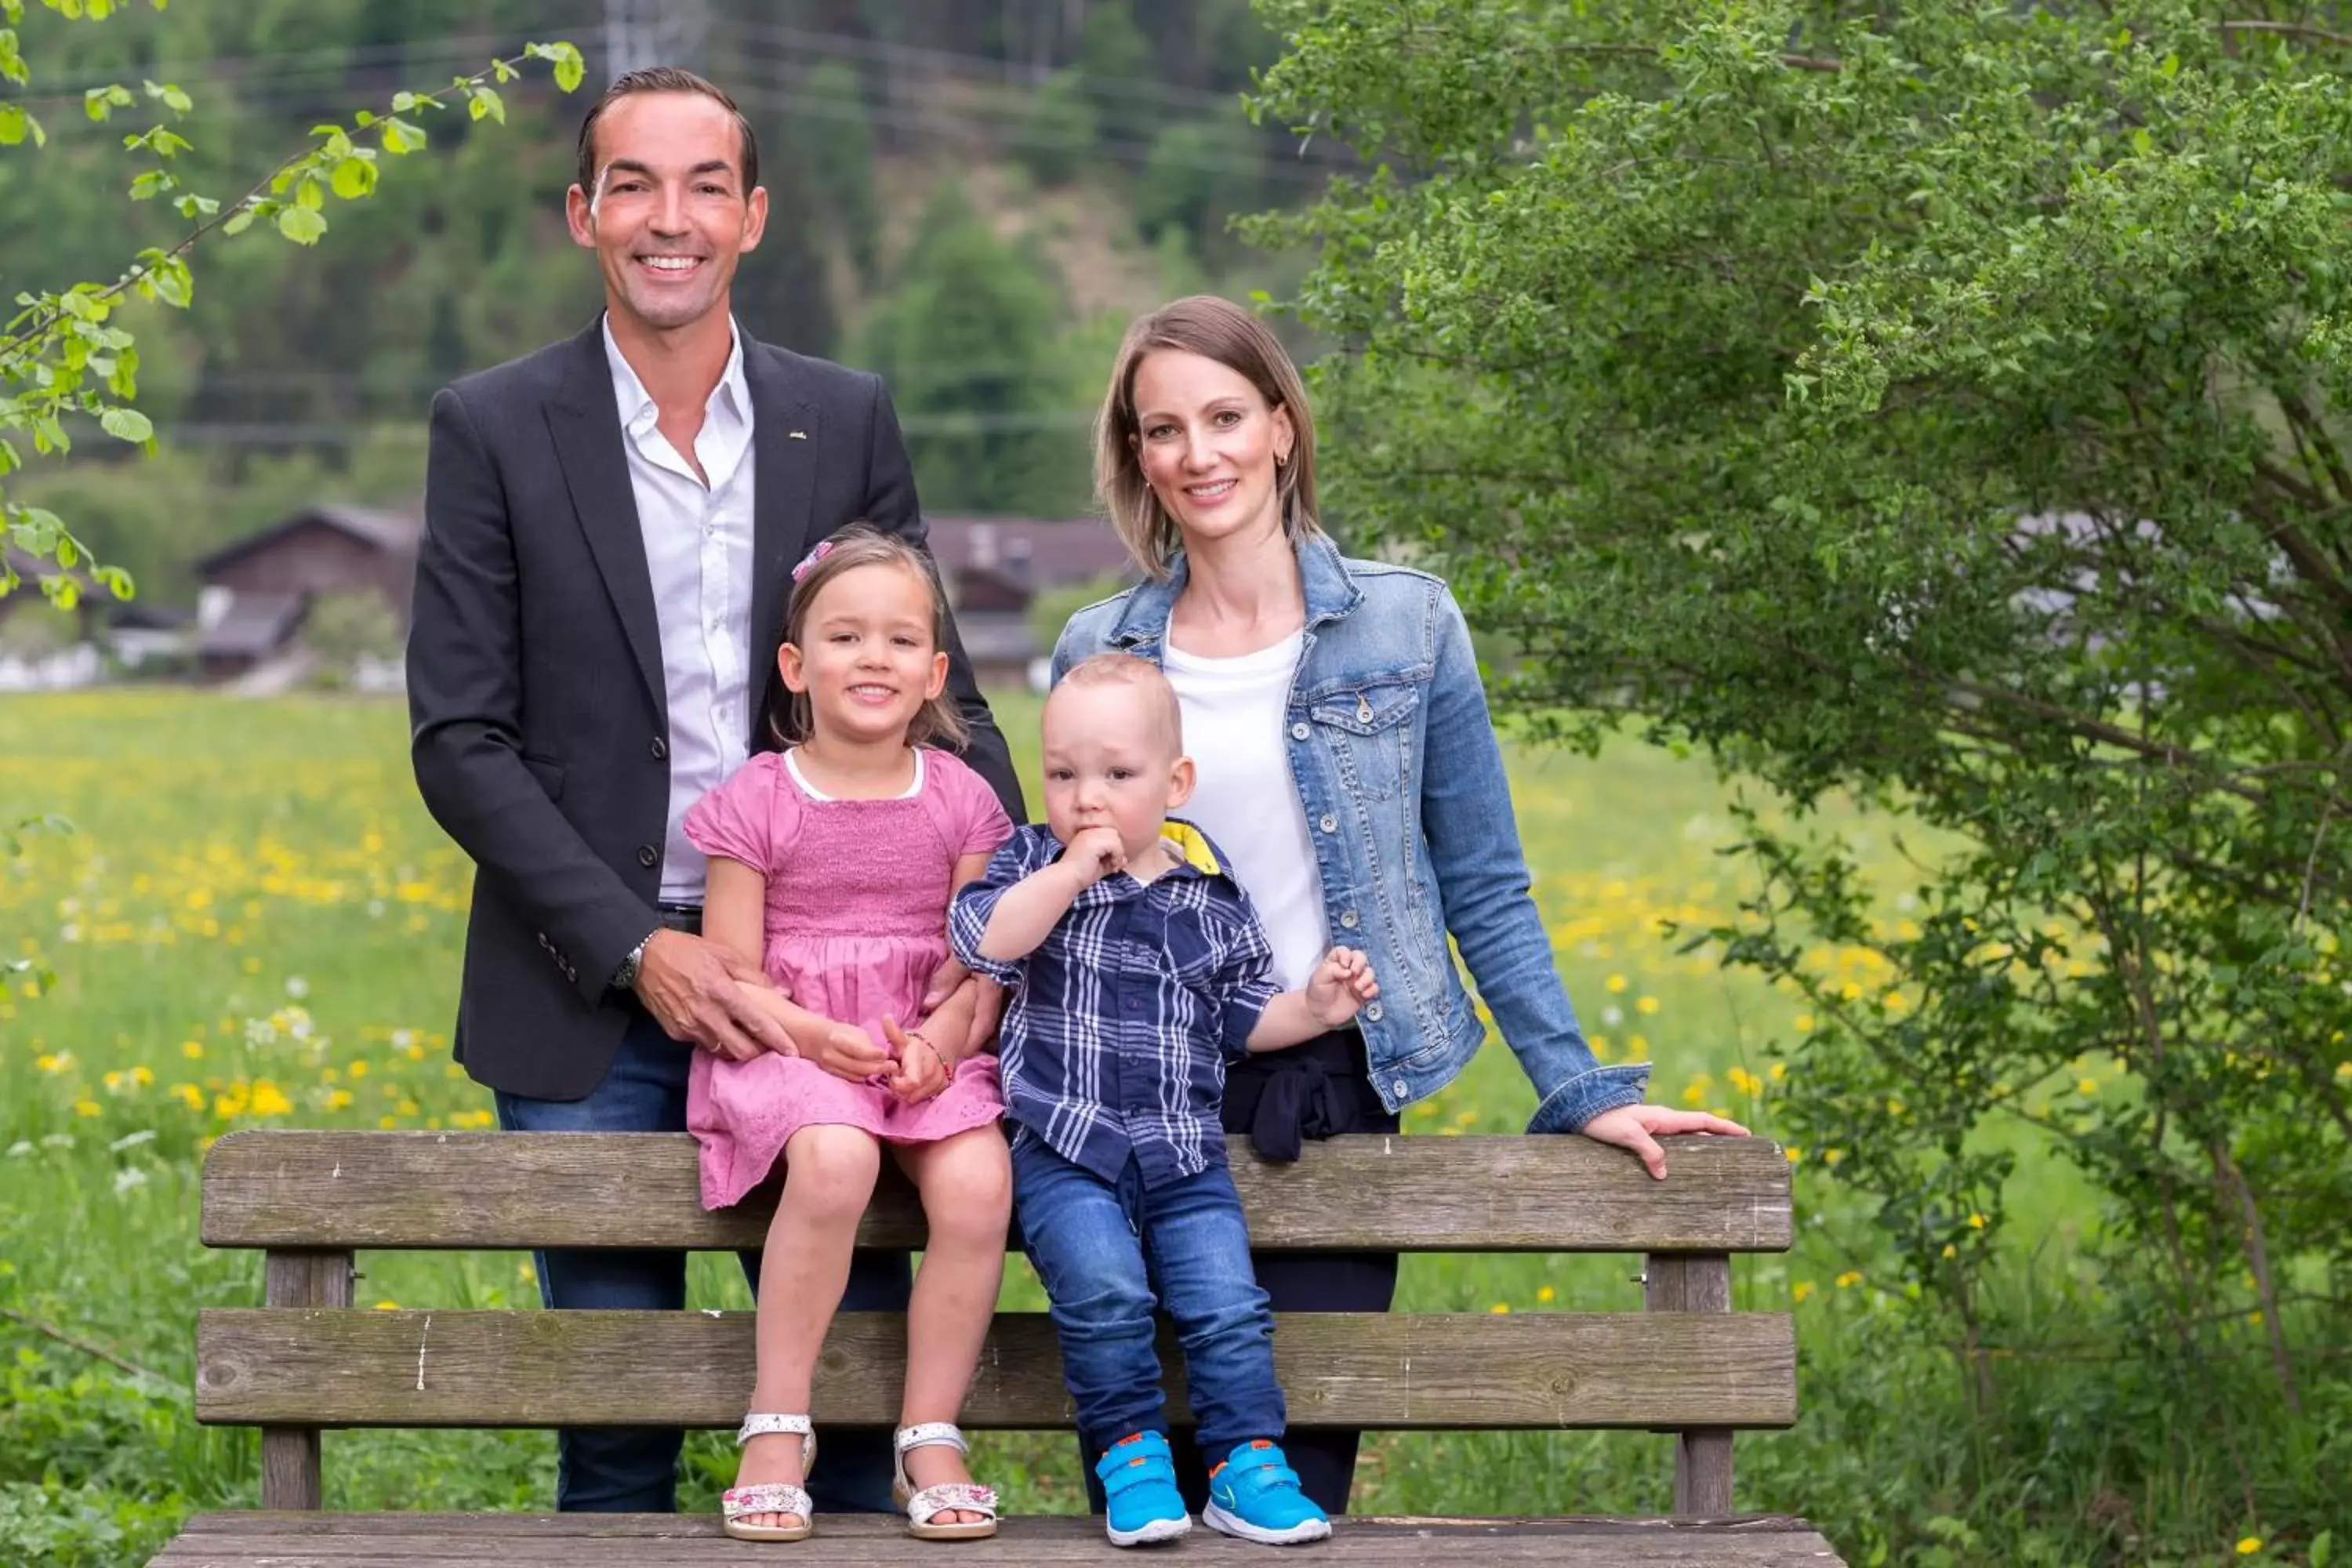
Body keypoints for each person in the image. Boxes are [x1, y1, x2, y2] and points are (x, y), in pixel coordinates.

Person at [405, 67, 1023, 1518]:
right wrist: (642, 947)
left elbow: (940, 694)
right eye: (632, 184)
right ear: (583, 214)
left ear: (752, 215)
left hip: (843, 988)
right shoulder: (494, 426)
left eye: (702, 187)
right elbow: (460, 739)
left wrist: (996, 932)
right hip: (587, 997)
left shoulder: (840, 415)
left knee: (855, 1432)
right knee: (616, 1432)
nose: (665, 219)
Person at [1052, 295, 1751, 1515]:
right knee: (1146, 1493)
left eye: (1225, 417)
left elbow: (1484, 881)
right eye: (1165, 430)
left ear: (1280, 425)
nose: (1199, 454)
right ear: (1139, 455)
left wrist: (1579, 1086)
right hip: (1141, 1092)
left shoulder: (1408, 623)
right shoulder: (1095, 648)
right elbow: (1076, 896)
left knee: (1290, 1484)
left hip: (1330, 1092)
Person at [949, 653, 1381, 1548]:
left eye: (1116, 774)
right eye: (1063, 773)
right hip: (1067, 1149)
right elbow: (983, 939)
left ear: (1175, 782)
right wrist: (1070, 873)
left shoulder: (1211, 895)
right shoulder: (1033, 860)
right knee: (1105, 1291)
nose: (1086, 797)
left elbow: (1242, 1014)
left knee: (1226, 1302)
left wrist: (1316, 1005)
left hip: (1184, 1153)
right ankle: (1133, 1457)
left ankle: (1245, 1464)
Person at [684, 528, 1014, 1542]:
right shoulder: (758, 799)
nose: (873, 658)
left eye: (900, 640)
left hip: (924, 1048)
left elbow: (980, 959)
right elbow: (732, 970)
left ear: (933, 672)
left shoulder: (963, 800)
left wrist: (941, 1045)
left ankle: (931, 1431)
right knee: (832, 1159)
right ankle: (778, 1422)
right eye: (845, 636)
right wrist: (817, 1038)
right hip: (787, 1047)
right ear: (796, 666)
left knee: (977, 1180)